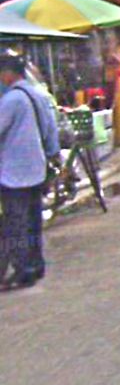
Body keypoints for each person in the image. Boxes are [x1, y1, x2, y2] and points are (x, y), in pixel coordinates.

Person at [0, 53, 59, 290]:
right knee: (33, 221)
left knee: (16, 224)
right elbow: (51, 131)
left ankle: (23, 271)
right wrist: (53, 155)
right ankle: (36, 264)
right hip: (37, 169)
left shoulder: (12, 100)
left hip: (15, 173)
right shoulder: (39, 95)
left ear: (8, 73)